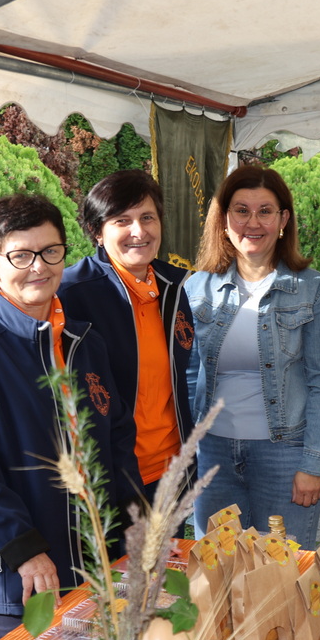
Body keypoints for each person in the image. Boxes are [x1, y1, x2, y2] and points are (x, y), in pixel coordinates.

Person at [0, 194, 139, 640]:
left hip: (96, 557)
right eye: (20, 255)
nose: (39, 267)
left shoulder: (85, 342)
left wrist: (130, 530)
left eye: (50, 252)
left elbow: (117, 439)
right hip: (20, 572)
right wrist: (24, 548)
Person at [185, 165, 320, 545]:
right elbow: (188, 376)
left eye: (265, 211)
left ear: (284, 219)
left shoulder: (315, 290)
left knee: (283, 576)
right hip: (213, 457)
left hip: (285, 456)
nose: (252, 222)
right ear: (224, 219)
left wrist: (314, 464)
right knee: (217, 576)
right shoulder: (197, 287)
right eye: (241, 210)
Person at [60, 170, 194, 501]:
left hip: (169, 473)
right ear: (97, 232)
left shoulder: (178, 287)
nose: (139, 231)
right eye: (122, 220)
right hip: (106, 479)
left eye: (147, 217)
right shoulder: (70, 294)